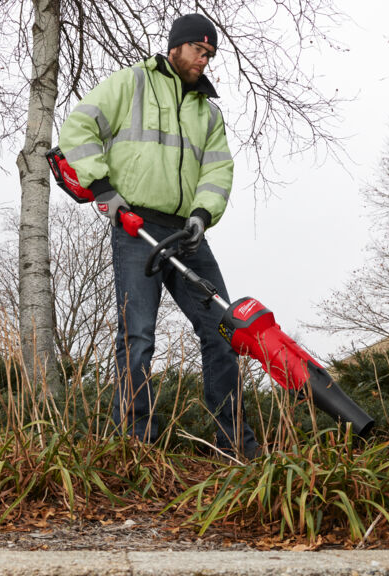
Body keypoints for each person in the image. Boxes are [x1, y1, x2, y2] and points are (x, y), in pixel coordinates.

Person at [58, 13, 260, 460]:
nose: (203, 60)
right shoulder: (130, 84)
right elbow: (77, 129)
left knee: (224, 331)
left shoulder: (208, 112)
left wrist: (203, 215)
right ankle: (133, 445)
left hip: (186, 234)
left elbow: (218, 168)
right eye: (198, 50)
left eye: (209, 54)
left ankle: (235, 446)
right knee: (139, 334)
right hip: (136, 228)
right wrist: (103, 188)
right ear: (176, 47)